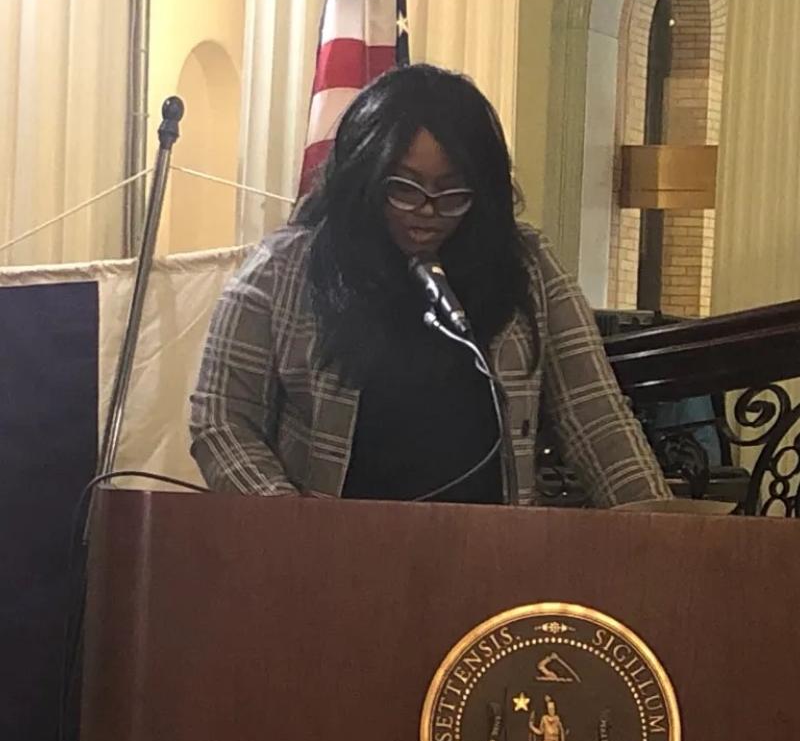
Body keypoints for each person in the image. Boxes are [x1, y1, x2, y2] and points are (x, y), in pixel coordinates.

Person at [189, 63, 672, 506]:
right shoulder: (283, 270)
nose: (427, 212)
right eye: (403, 187)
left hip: (490, 563)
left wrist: (662, 530)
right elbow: (221, 419)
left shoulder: (529, 267)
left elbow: (597, 421)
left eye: (451, 193)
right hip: (329, 563)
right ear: (364, 176)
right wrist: (291, 523)